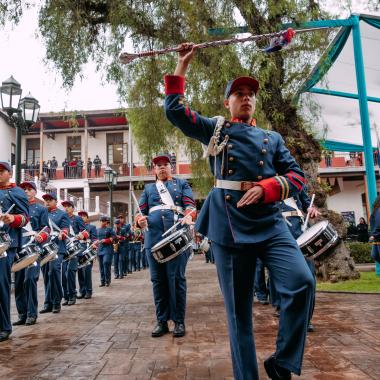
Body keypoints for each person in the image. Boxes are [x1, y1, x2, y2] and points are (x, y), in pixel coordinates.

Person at [163, 44, 315, 379]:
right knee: (239, 317)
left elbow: (297, 177)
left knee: (302, 282)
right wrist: (181, 66)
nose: (246, 98)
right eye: (239, 93)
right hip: (230, 229)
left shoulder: (271, 138)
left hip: (271, 223)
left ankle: (283, 362)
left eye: (250, 94)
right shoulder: (216, 130)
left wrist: (269, 187)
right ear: (227, 102)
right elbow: (174, 110)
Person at [136, 153, 196, 338]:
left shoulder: (182, 184)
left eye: (165, 164)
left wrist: (188, 216)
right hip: (153, 240)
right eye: (158, 165)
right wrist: (140, 221)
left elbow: (191, 207)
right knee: (158, 281)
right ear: (154, 170)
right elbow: (139, 214)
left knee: (176, 279)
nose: (162, 167)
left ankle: (179, 321)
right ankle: (162, 321)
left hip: (176, 239)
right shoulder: (148, 189)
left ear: (171, 167)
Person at [278, 188, 320, 332]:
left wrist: (311, 209)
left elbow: (307, 203)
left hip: (302, 231)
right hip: (280, 233)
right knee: (288, 280)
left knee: (309, 278)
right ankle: (291, 317)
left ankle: (306, 319)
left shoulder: (294, 181)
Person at [13, 181, 50, 327]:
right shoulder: (16, 208)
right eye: (24, 190)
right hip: (19, 248)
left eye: (29, 189)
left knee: (29, 280)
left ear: (35, 192)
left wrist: (41, 237)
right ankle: (22, 314)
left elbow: (46, 228)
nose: (26, 192)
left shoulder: (41, 209)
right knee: (18, 282)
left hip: (33, 248)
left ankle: (32, 314)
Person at [0, 162, 29, 342]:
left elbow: (25, 218)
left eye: (1, 171)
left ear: (9, 173)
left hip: (6, 245)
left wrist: (13, 218)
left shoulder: (16, 192)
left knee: (1, 285)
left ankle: (4, 327)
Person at [40, 193, 70, 314]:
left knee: (53, 271)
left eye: (49, 200)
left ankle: (57, 301)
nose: (47, 202)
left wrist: (62, 233)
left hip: (57, 247)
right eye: (45, 200)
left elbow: (65, 228)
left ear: (55, 201)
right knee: (46, 275)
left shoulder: (62, 214)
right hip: (44, 248)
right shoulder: (43, 213)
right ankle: (48, 303)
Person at [61, 200, 89, 306]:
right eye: (65, 206)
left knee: (70, 272)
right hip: (64, 248)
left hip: (74, 248)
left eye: (68, 206)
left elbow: (85, 231)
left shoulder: (77, 219)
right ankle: (66, 296)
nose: (66, 208)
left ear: (73, 208)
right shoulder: (62, 218)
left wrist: (81, 235)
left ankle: (72, 295)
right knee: (63, 274)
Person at [77, 211, 97, 299]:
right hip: (79, 251)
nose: (82, 217)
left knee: (87, 271)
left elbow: (95, 238)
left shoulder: (91, 227)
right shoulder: (76, 227)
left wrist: (94, 246)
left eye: (84, 216)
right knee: (80, 272)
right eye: (80, 216)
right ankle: (82, 291)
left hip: (88, 250)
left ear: (87, 218)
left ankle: (89, 291)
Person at [94, 216, 115, 287]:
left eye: (103, 221)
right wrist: (95, 241)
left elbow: (114, 237)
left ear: (106, 222)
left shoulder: (109, 229)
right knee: (101, 266)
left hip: (107, 248)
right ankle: (102, 281)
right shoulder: (97, 230)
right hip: (100, 249)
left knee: (106, 263)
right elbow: (94, 238)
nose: (102, 222)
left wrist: (106, 240)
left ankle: (107, 280)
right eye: (101, 221)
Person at [370, 195, 380, 264]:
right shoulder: (375, 211)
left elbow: (379, 224)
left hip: (378, 236)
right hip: (376, 237)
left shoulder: (378, 210)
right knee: (374, 255)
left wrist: (374, 235)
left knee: (375, 255)